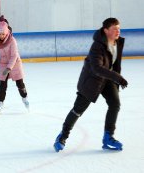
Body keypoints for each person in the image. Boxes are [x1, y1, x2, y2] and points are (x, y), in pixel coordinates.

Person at [54, 18, 128, 152]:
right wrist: (118, 78)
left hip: (107, 80)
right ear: (106, 31)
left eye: (119, 28)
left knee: (115, 104)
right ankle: (62, 137)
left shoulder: (119, 42)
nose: (118, 31)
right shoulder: (97, 46)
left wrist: (116, 79)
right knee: (78, 110)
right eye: (114, 29)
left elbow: (115, 64)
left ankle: (108, 137)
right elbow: (97, 68)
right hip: (91, 81)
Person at [0, 17, 29, 115]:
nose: (1, 36)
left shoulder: (12, 40)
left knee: (20, 83)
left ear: (6, 32)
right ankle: (0, 103)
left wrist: (9, 68)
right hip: (3, 64)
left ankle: (25, 98)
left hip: (15, 63)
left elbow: (14, 56)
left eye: (3, 34)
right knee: (2, 84)